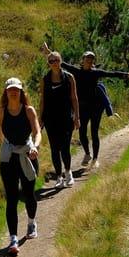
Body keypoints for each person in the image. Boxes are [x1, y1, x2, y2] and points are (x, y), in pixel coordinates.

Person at [43, 44, 129, 169]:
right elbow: (59, 63)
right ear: (82, 60)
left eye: (91, 60)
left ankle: (95, 158)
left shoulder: (96, 73)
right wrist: (48, 52)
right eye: (87, 59)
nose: (89, 62)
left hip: (96, 107)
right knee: (82, 133)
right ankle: (87, 154)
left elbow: (113, 74)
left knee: (94, 132)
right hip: (83, 107)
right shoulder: (77, 72)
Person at [0, 77, 42, 257]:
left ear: (21, 92)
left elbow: (37, 132)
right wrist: (9, 148)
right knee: (12, 198)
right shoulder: (0, 113)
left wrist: (35, 147)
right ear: (6, 93)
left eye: (16, 89)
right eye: (10, 89)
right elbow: (0, 134)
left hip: (28, 155)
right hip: (8, 159)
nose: (13, 92)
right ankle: (13, 238)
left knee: (29, 194)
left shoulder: (29, 110)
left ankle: (31, 222)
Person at [39, 51, 80, 189]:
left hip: (66, 118)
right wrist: (40, 119)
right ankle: (59, 177)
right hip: (50, 119)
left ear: (61, 61)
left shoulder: (69, 78)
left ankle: (68, 173)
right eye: (51, 61)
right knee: (54, 148)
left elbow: (74, 98)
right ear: (48, 64)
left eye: (56, 60)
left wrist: (77, 118)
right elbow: (42, 100)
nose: (54, 63)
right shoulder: (45, 79)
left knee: (65, 147)